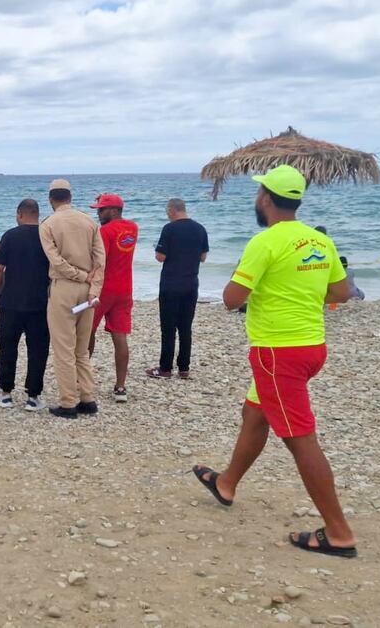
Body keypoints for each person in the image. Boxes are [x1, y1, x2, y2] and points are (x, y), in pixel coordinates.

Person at [192, 165, 357, 559]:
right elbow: (341, 292)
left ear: (265, 198)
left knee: (301, 439)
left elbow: (231, 299)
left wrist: (257, 284)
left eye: (258, 194)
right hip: (312, 346)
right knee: (255, 413)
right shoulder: (319, 240)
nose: (257, 199)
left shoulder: (264, 242)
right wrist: (296, 291)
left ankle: (339, 532)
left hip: (277, 353)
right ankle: (227, 483)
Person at [39, 179, 105, 419]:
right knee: (81, 348)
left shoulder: (48, 224)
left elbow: (56, 261)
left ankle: (68, 403)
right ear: (70, 197)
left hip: (64, 288)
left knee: (63, 348)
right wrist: (94, 287)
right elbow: (100, 260)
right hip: (88, 290)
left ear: (51, 199)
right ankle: (87, 398)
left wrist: (79, 275)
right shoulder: (89, 221)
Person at [0, 199, 51, 411]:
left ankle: (5, 393)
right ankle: (33, 396)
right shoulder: (47, 235)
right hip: (40, 303)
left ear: (20, 214)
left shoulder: (11, 236)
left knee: (8, 348)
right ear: (37, 214)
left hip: (11, 302)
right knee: (38, 350)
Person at [148, 198, 208, 379]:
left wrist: (157, 249)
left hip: (171, 284)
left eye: (167, 210)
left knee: (168, 328)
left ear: (172, 210)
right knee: (185, 327)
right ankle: (184, 368)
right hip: (191, 283)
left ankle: (165, 368)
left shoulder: (169, 229)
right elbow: (203, 257)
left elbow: (160, 257)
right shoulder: (200, 229)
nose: (167, 214)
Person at [88, 194, 137, 402]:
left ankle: (82, 379)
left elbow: (100, 261)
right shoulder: (132, 228)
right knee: (120, 335)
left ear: (114, 210)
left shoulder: (105, 231)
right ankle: (120, 387)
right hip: (125, 289)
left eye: (102, 209)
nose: (98, 213)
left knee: (88, 331)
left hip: (104, 289)